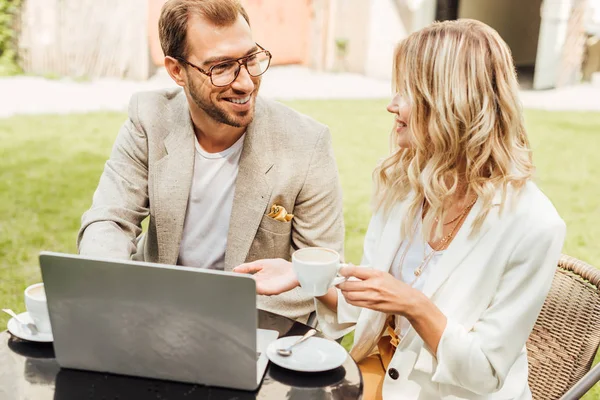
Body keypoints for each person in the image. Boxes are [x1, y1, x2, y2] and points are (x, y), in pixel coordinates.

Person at [234, 19, 566, 399]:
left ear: (450, 102)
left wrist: (413, 305)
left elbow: (485, 372)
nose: (392, 105)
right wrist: (304, 276)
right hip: (372, 376)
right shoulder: (407, 185)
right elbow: (366, 308)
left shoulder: (534, 226)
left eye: (406, 92)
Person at [77, 0, 344, 321]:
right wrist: (112, 290)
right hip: (155, 311)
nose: (245, 82)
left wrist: (219, 324)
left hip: (256, 324)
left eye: (250, 59)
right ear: (177, 71)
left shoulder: (306, 142)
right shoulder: (149, 118)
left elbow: (322, 269)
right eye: (221, 67)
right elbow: (108, 221)